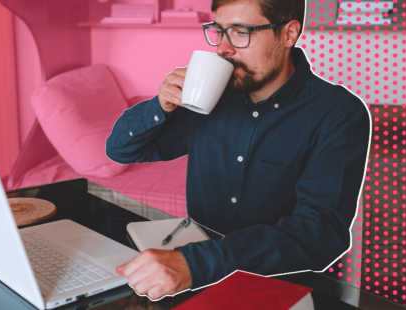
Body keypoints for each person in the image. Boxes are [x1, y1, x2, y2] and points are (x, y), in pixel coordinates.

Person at [105, 0, 371, 301]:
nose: (223, 49)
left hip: (279, 284)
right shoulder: (211, 96)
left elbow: (321, 231)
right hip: (197, 277)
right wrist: (160, 105)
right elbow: (121, 150)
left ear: (288, 34)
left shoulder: (338, 114)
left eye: (241, 32)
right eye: (219, 32)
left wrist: (199, 263)